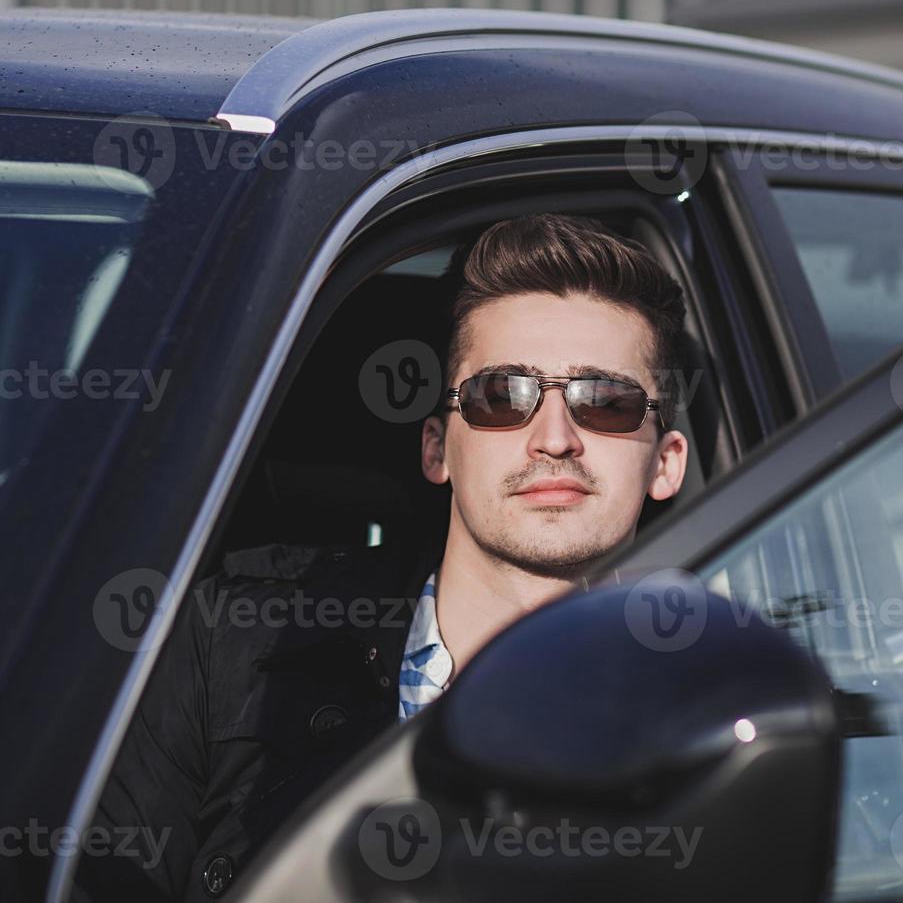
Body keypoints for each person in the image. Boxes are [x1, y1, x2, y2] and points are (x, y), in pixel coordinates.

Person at [73, 212, 690, 902]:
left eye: (604, 401)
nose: (553, 436)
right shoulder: (229, 645)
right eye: (499, 396)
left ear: (665, 463)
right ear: (436, 448)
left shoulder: (714, 717)